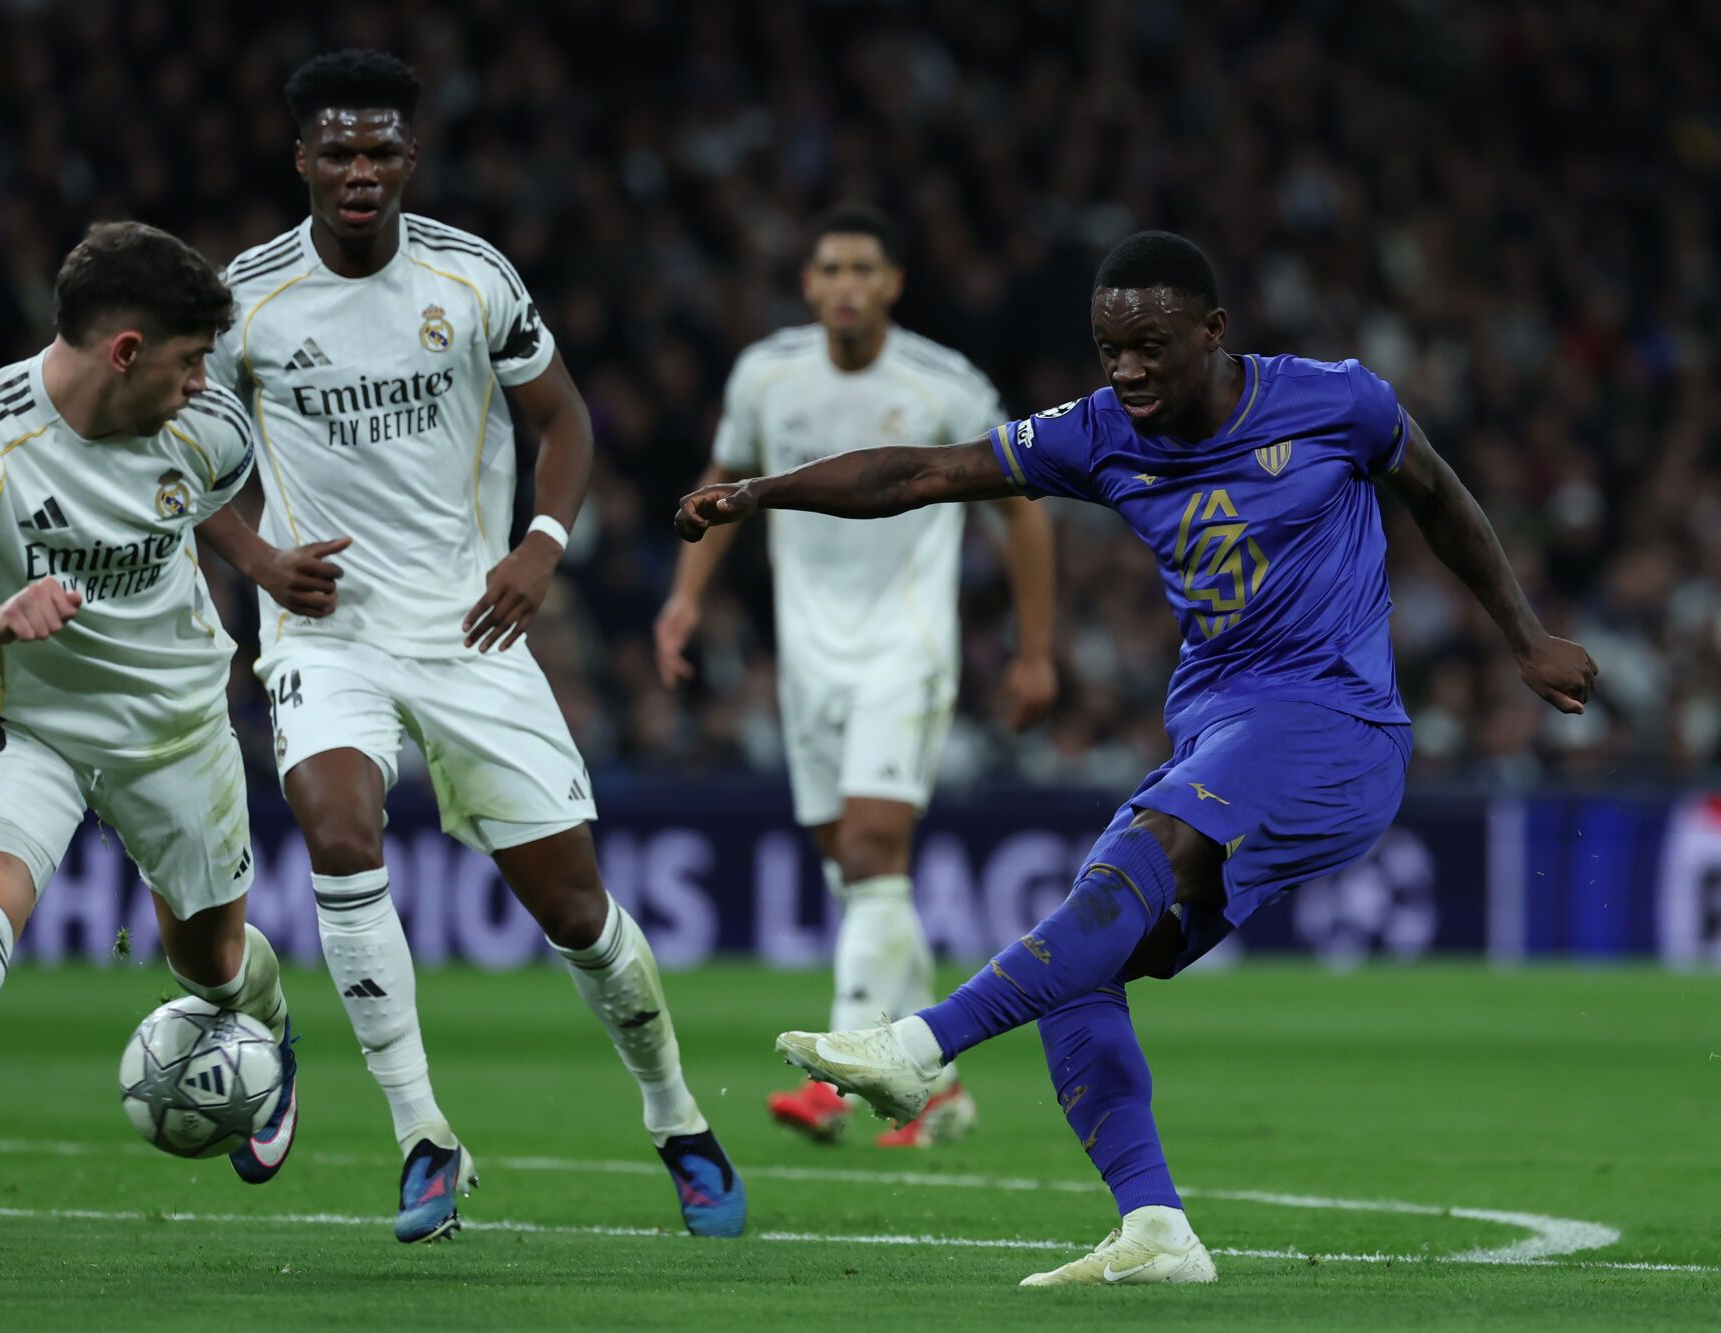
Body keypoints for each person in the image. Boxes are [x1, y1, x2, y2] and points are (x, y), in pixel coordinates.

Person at [675, 231, 1597, 1287]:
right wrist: (761, 492)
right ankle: (1155, 1226)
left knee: (1128, 869)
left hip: (1336, 723)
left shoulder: (1336, 401)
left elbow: (1436, 493)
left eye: (1149, 346)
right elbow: (922, 470)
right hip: (1219, 728)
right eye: (1108, 348)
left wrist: (1523, 635)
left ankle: (919, 1047)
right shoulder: (1099, 432)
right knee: (1085, 956)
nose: (1125, 369)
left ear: (1213, 332)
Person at [196, 49, 745, 1242]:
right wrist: (257, 561)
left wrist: (542, 543)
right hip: (323, 629)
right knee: (338, 834)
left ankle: (675, 1115)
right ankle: (423, 1138)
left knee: (576, 913)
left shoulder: (471, 275)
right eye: (336, 151)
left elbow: (566, 419)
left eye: (378, 150)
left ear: (410, 158)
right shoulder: (245, 300)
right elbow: (178, 458)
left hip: (469, 626)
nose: (358, 171)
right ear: (300, 160)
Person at [0, 221, 302, 1305]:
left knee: (212, 967)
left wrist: (266, 564)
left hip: (173, 724)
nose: (205, 384)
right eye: (189, 361)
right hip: (17, 722)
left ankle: (272, 1032)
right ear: (125, 351)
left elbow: (199, 499)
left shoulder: (210, 427)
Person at [655, 205, 1057, 1149]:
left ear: (892, 284)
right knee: (860, 874)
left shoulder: (943, 385)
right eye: (830, 268)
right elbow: (723, 479)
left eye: (863, 269)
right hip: (808, 657)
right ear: (808, 283)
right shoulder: (766, 376)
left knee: (875, 849)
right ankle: (940, 1085)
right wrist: (683, 599)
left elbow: (1023, 509)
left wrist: (1035, 650)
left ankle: (837, 1073)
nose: (846, 285)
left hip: (906, 647)